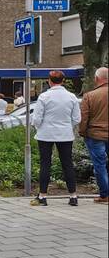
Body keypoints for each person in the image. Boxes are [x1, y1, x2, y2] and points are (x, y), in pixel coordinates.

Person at [31, 70, 80, 207]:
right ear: (63, 81)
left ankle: (43, 196)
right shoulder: (71, 97)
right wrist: (66, 126)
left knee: (45, 164)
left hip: (45, 134)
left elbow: (37, 118)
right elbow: (76, 119)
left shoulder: (44, 97)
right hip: (65, 134)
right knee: (67, 164)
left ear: (49, 81)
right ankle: (73, 196)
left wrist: (39, 127)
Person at [79, 66, 108, 204]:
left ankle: (105, 195)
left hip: (95, 135)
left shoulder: (89, 96)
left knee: (100, 165)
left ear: (97, 79)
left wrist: (83, 132)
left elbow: (84, 118)